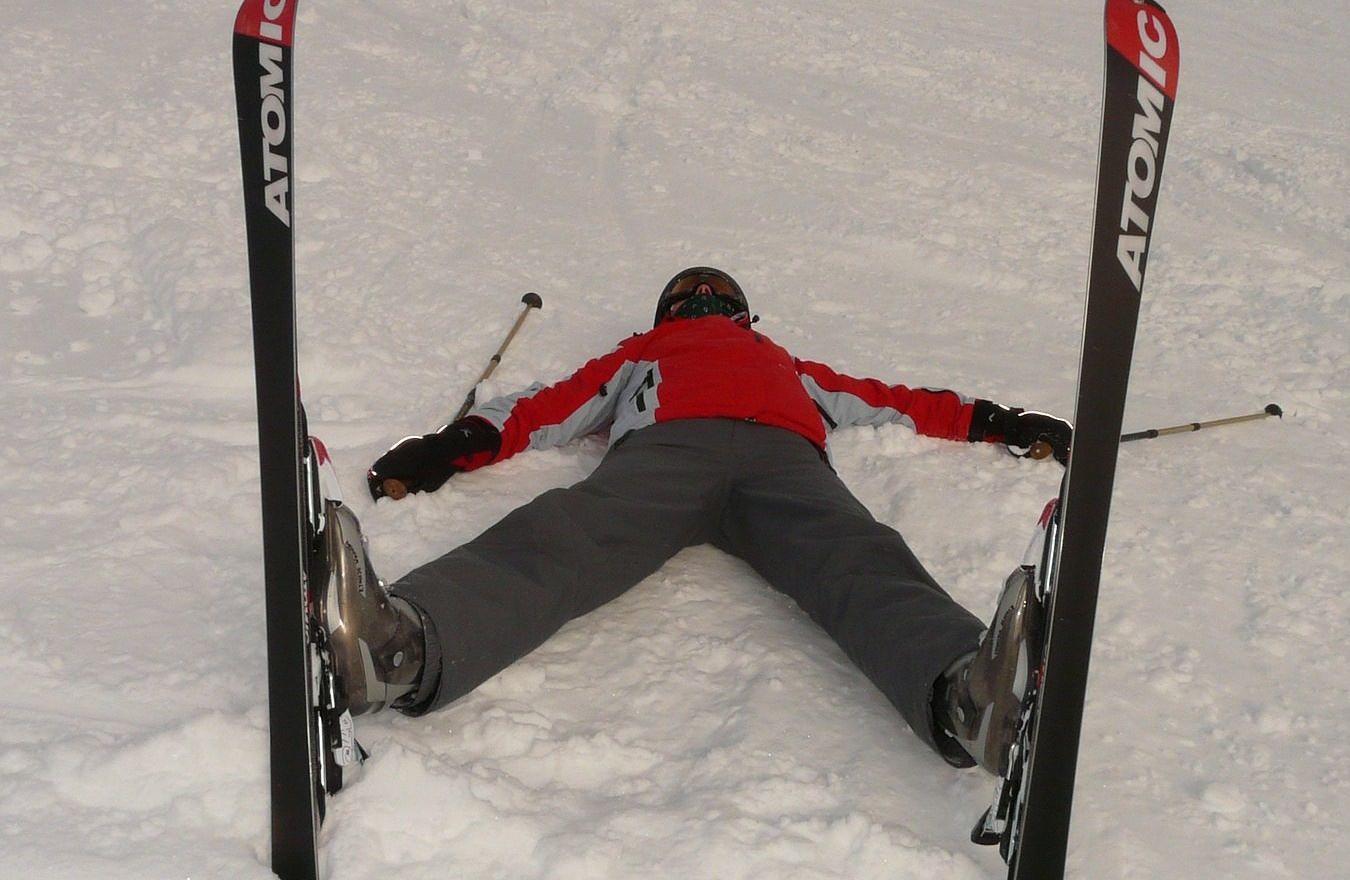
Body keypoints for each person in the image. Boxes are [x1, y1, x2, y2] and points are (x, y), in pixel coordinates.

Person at [316, 267, 1071, 775]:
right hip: (669, 455)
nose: (704, 302)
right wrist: (455, 445)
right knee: (570, 533)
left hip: (785, 465)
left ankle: (966, 696)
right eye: (692, 295)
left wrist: (995, 421)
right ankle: (400, 647)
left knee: (860, 558)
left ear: (742, 315)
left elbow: (894, 400)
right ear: (671, 315)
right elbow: (551, 408)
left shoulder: (785, 363)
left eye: (716, 295)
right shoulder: (646, 352)